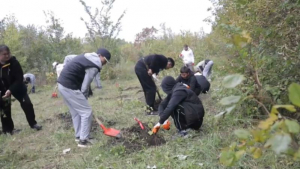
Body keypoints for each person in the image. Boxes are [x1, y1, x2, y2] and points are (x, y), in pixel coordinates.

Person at [57, 48, 110, 148]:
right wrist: (83, 97)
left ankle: (78, 136)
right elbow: (85, 85)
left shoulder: (85, 56)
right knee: (86, 112)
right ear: (101, 56)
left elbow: (68, 58)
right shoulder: (94, 65)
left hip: (62, 84)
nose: (104, 63)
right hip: (69, 86)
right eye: (105, 61)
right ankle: (83, 141)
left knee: (76, 112)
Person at [0, 45, 42, 134]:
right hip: (3, 89)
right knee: (5, 109)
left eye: (8, 53)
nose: (7, 56)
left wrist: (11, 90)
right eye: (4, 54)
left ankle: (33, 124)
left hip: (17, 86)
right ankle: (8, 130)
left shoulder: (14, 62)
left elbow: (19, 79)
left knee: (27, 104)